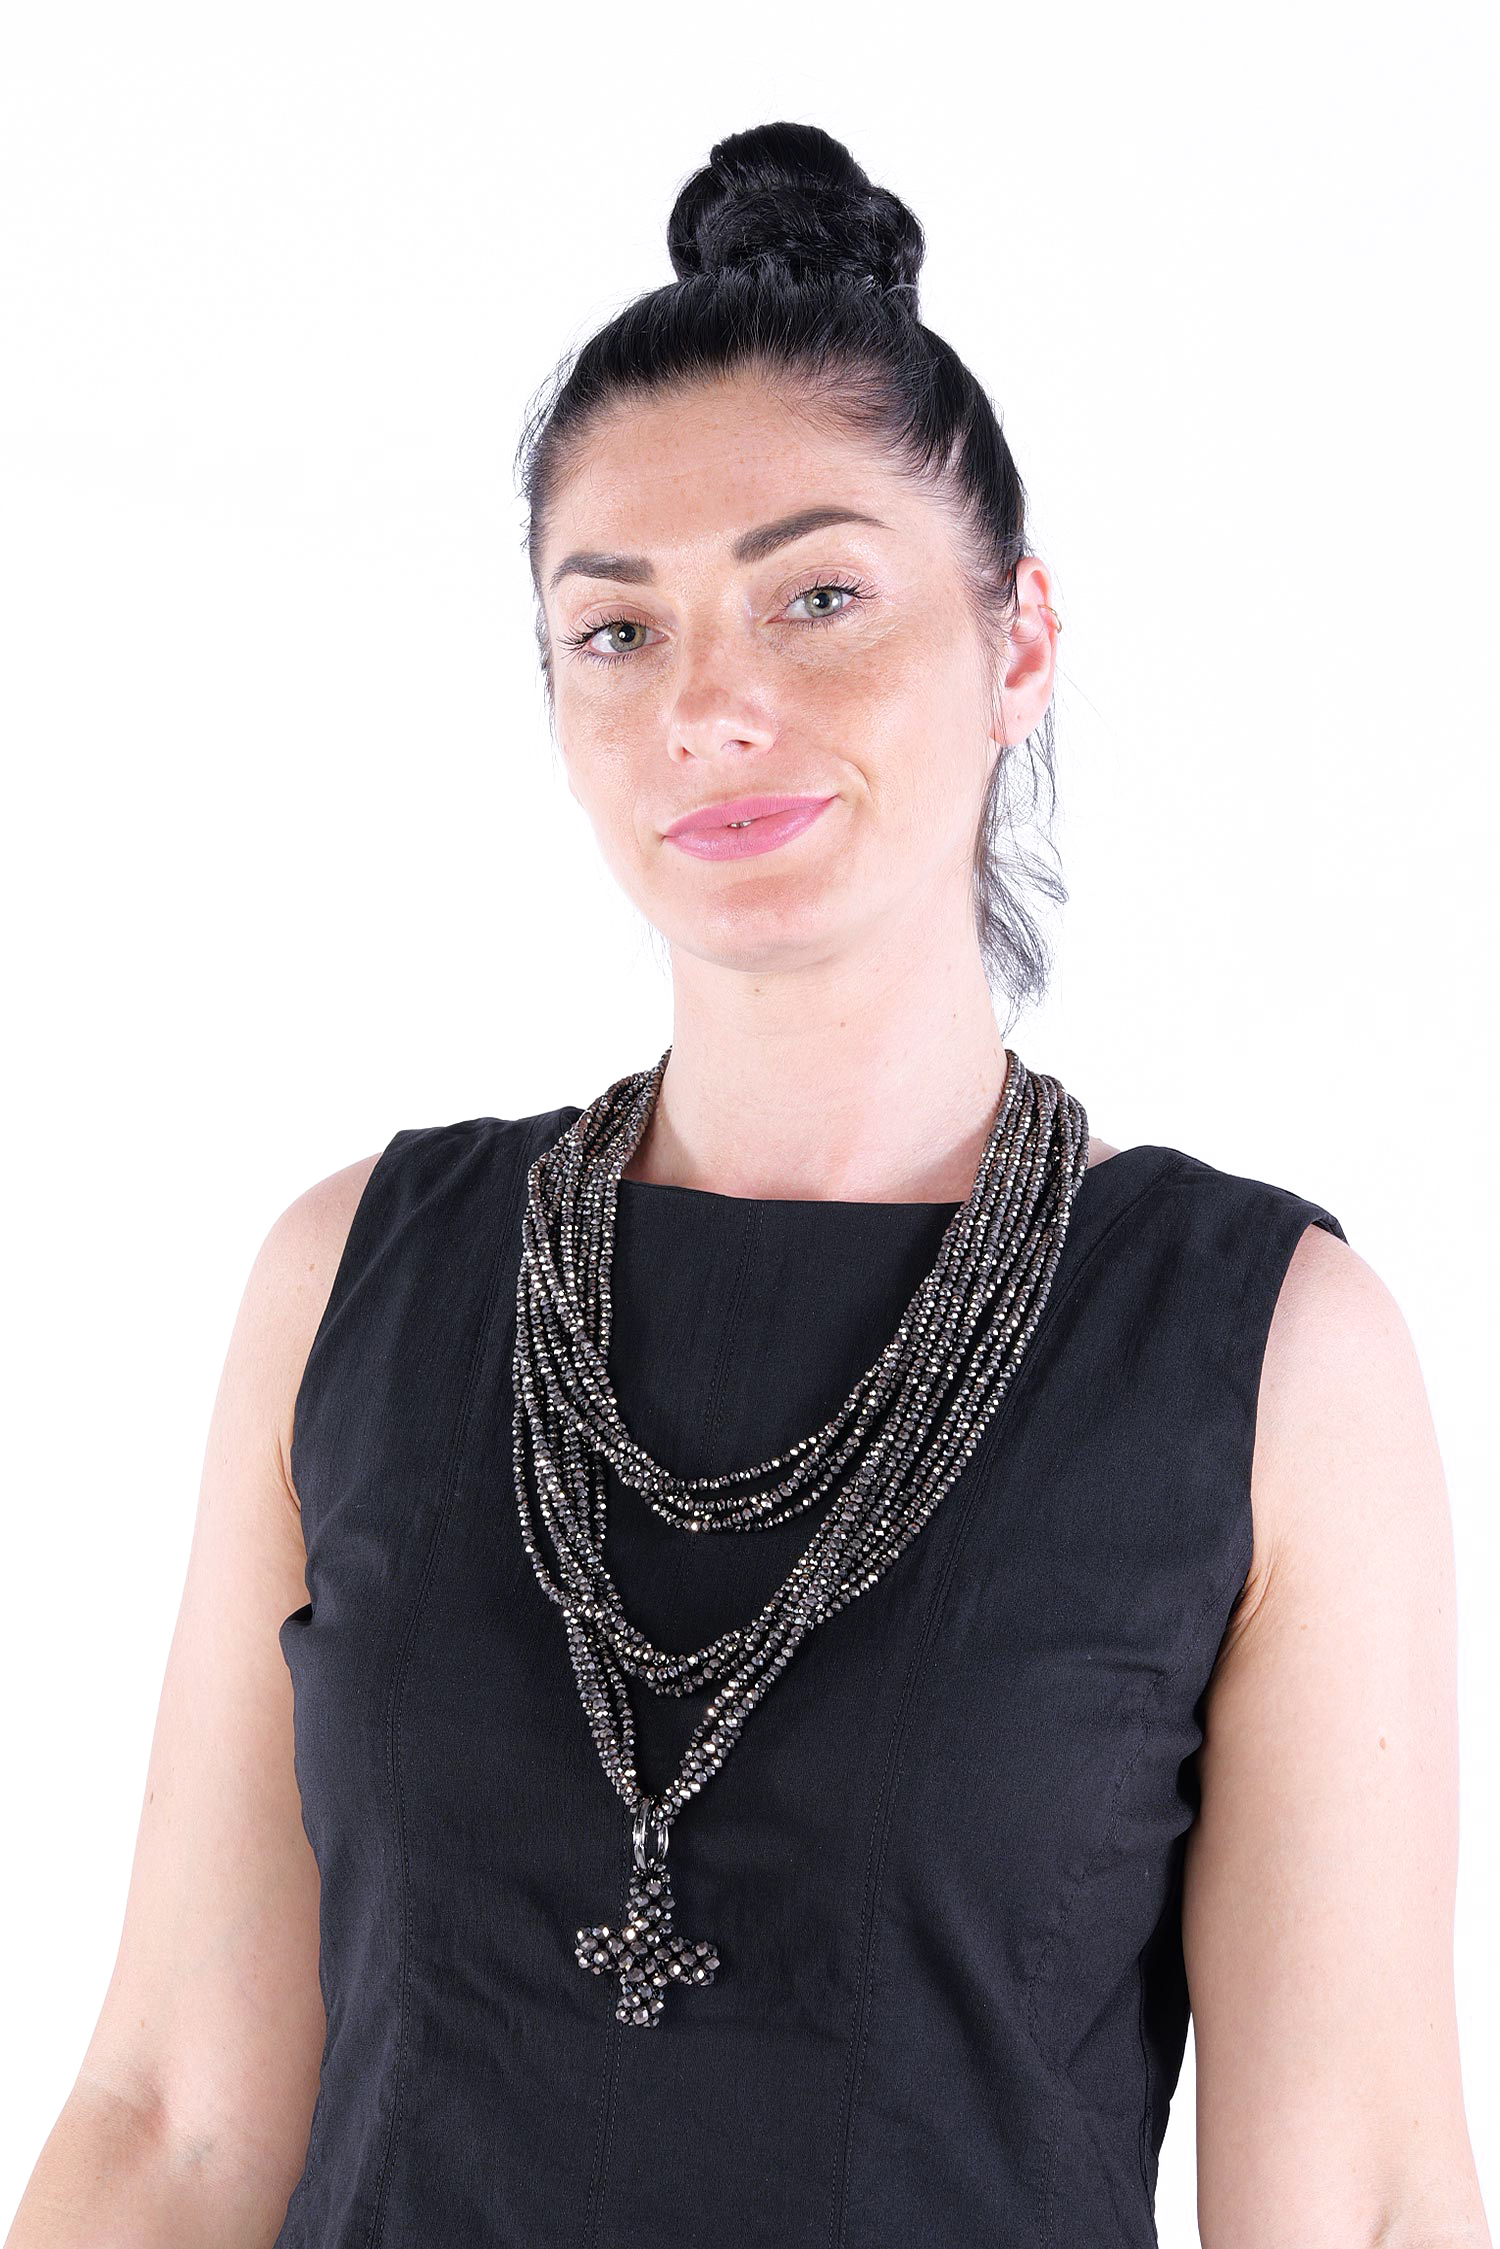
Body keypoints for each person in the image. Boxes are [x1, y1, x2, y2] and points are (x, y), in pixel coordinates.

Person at [6, 119, 1488, 2249]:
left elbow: (1361, 2199)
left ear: (1018, 640)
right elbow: (170, 2120)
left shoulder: (1259, 1350)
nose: (713, 705)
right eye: (618, 630)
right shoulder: (358, 1281)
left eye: (819, 597)